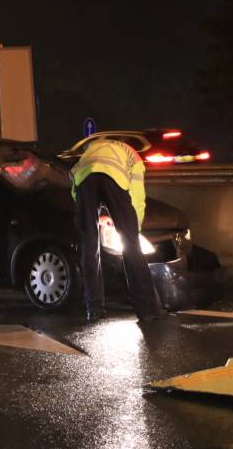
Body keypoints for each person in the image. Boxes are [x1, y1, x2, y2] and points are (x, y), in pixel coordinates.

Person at [71, 138, 168, 324]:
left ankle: (94, 308)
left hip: (84, 180)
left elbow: (76, 189)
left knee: (90, 246)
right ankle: (146, 309)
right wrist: (134, 230)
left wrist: (96, 215)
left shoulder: (92, 151)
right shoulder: (135, 158)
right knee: (131, 246)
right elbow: (138, 197)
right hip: (114, 179)